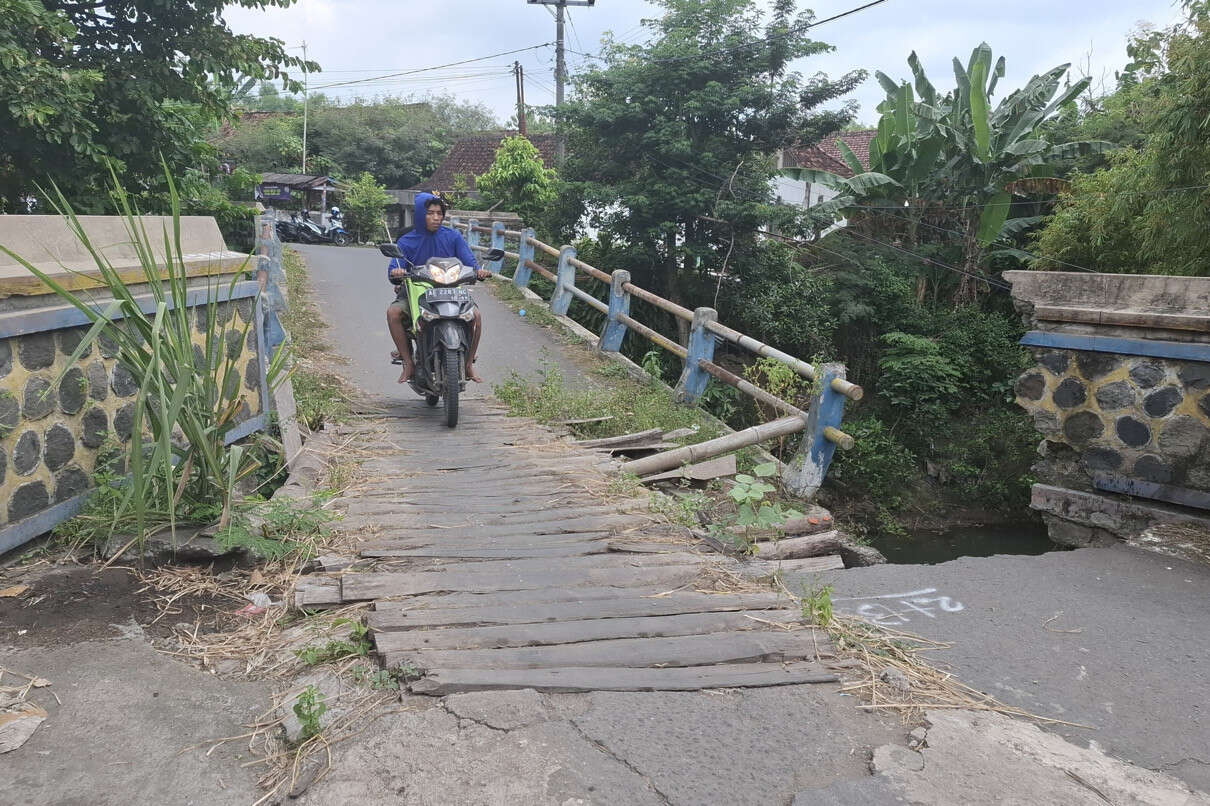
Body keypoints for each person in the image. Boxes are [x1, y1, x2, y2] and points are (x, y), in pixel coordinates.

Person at [386, 192, 491, 384]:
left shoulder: (453, 236)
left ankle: (468, 364)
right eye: (430, 213)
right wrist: (397, 272)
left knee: (476, 316)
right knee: (393, 313)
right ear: (420, 214)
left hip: (451, 289)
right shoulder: (406, 241)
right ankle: (408, 362)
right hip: (417, 291)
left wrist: (478, 271)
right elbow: (395, 265)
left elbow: (469, 261)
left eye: (439, 213)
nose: (436, 218)